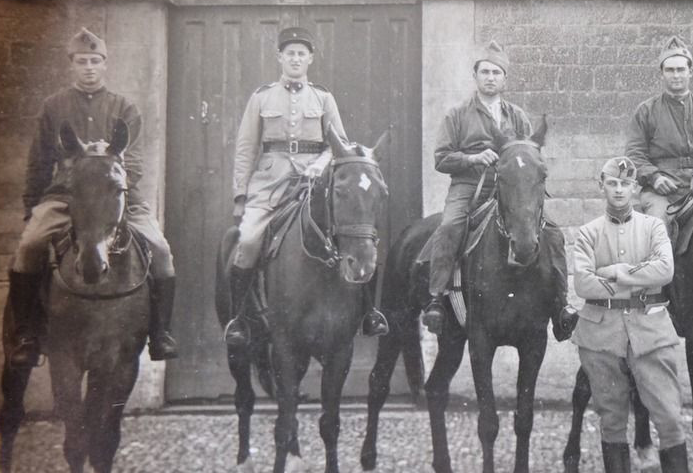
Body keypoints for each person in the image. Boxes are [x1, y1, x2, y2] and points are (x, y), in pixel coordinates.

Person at [7, 28, 178, 366]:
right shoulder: (54, 107)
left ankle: (160, 333)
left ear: (105, 65)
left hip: (116, 197)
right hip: (65, 196)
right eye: (81, 61)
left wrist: (109, 175)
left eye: (95, 61)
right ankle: (26, 332)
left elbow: (136, 162)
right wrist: (32, 207)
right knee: (28, 247)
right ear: (71, 65)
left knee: (161, 251)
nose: (88, 68)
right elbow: (39, 161)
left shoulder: (123, 108)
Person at [571, 157, 693, 473]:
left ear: (636, 189)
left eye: (626, 184)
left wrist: (617, 273)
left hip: (651, 331)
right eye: (612, 183)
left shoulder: (653, 227)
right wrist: (636, 275)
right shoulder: (587, 233)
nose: (619, 190)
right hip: (601, 336)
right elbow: (583, 284)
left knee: (668, 417)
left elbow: (664, 271)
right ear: (601, 185)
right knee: (612, 420)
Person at [224, 26, 383, 350]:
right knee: (249, 241)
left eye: (301, 53)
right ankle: (239, 318)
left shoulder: (323, 98)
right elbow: (245, 148)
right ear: (280, 57)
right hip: (269, 185)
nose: (295, 58)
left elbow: (339, 143)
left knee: (355, 236)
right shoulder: (262, 97)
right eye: (290, 53)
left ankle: (369, 313)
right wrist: (241, 195)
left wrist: (318, 165)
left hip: (313, 185)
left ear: (310, 59)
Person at [419, 41, 576, 341]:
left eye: (496, 73)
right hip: (469, 183)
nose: (490, 77)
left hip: (512, 187)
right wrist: (473, 158)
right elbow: (441, 158)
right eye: (485, 72)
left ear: (504, 79)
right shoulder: (457, 115)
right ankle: (437, 298)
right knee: (450, 225)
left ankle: (561, 305)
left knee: (551, 232)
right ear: (475, 76)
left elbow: (529, 153)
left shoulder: (517, 116)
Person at [624, 36, 693, 222]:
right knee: (658, 225)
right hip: (661, 190)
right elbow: (634, 154)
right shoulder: (646, 111)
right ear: (662, 74)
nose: (676, 75)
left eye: (681, 69)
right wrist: (655, 177)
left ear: (690, 72)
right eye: (670, 70)